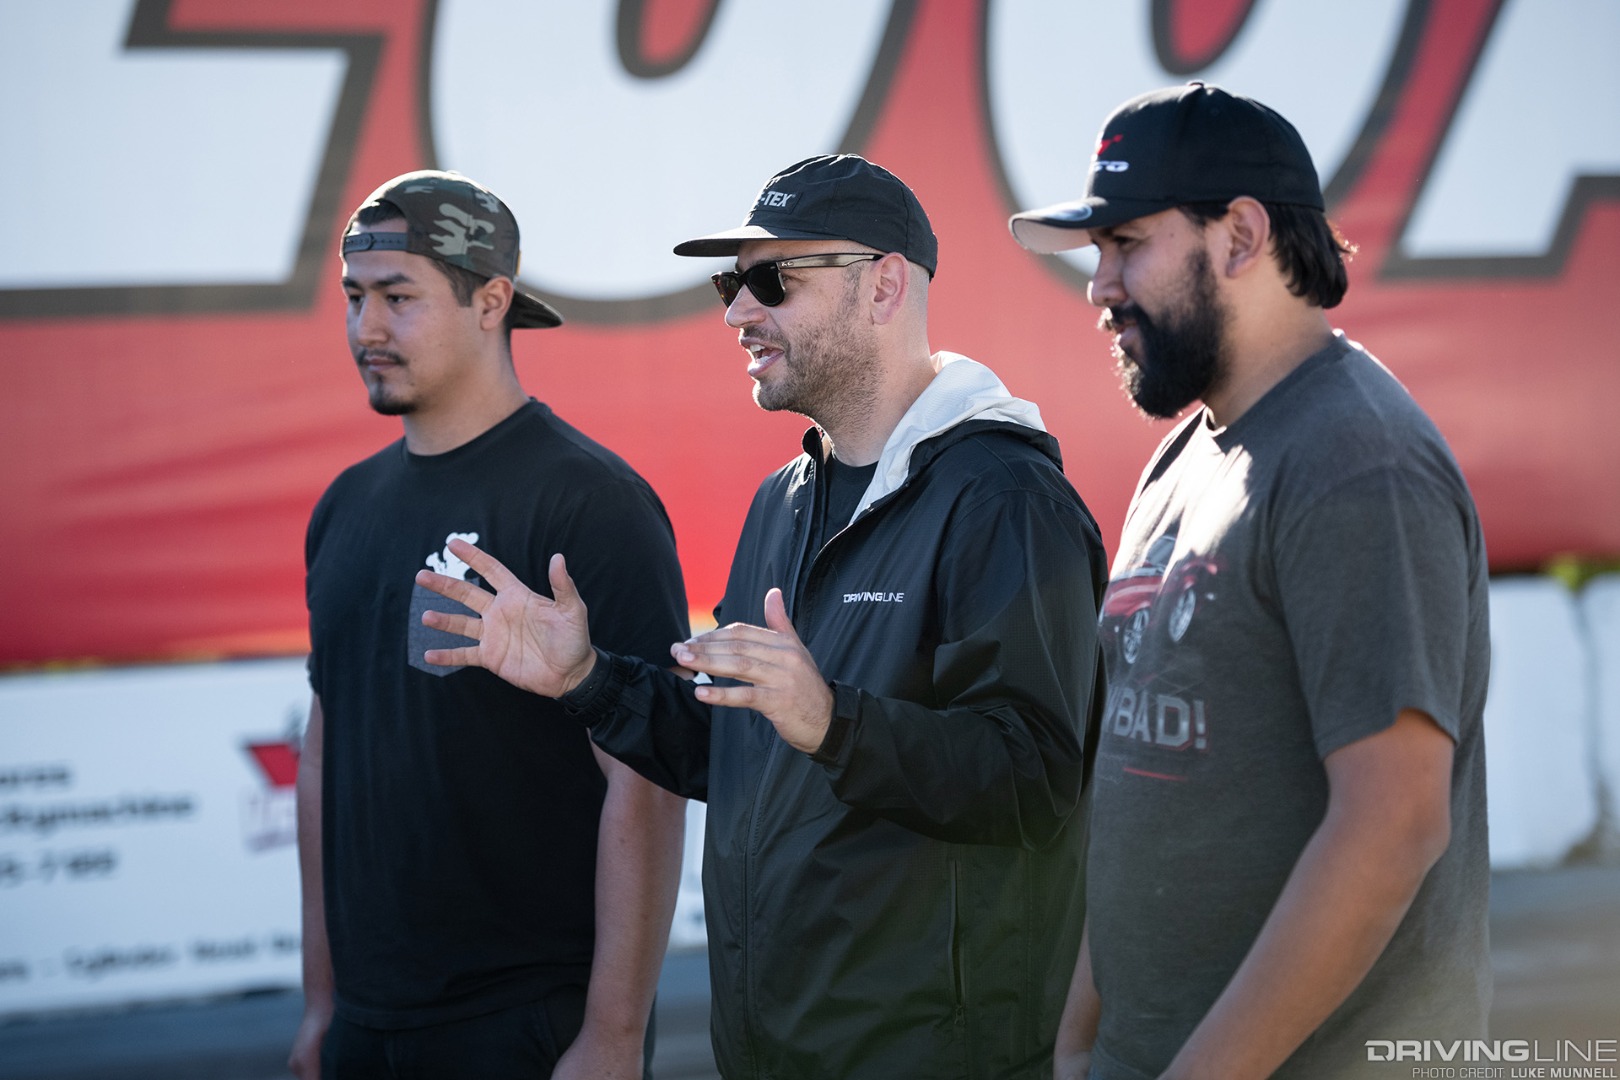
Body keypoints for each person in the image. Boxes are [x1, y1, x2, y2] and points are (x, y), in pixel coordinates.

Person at [415, 154, 1109, 1079]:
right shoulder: (784, 500)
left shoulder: (1007, 499)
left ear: (885, 286)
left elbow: (1037, 786)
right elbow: (736, 756)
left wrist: (832, 720)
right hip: (775, 1049)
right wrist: (587, 680)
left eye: (772, 280)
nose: (738, 313)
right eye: (729, 284)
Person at [1009, 82, 1491, 1079]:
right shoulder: (1188, 450)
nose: (1098, 286)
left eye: (1126, 243)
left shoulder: (1357, 463)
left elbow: (1395, 823)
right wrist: (1084, 1039)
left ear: (1239, 235)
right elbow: (1142, 777)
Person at [292, 170, 690, 1079]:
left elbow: (648, 781)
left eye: (399, 297)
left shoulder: (593, 503)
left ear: (492, 301)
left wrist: (614, 1036)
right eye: (355, 298)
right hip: (365, 1019)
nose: (367, 329)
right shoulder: (343, 508)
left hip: (526, 1020)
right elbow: (324, 751)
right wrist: (322, 1002)